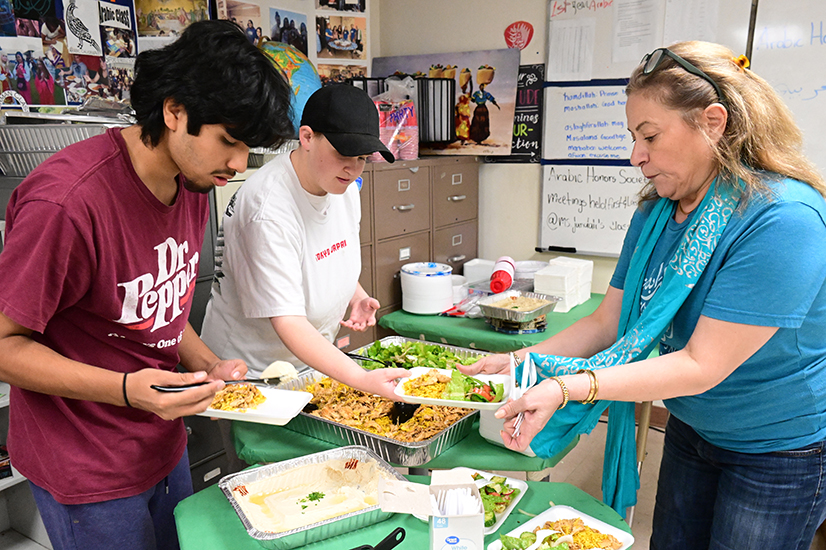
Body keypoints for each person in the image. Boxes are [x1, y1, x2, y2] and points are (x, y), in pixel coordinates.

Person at [461, 41, 826, 550]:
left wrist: (567, 386)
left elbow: (702, 363)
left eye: (650, 136)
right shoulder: (657, 211)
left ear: (713, 122)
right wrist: (522, 359)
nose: (637, 156)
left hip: (775, 447)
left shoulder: (783, 220)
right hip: (693, 423)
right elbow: (608, 322)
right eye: (635, 137)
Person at [0, 20, 293, 550]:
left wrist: (206, 363)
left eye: (248, 148)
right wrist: (125, 391)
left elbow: (146, 307)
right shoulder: (66, 204)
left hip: (159, 440)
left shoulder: (194, 179)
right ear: (175, 111)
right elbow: (3, 346)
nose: (238, 164)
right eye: (228, 142)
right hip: (87, 463)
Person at [201, 85, 408, 402]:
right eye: (343, 154)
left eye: (362, 158)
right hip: (253, 375)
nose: (353, 169)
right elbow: (288, 322)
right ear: (307, 137)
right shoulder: (267, 209)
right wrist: (361, 379)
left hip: (311, 363)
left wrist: (356, 295)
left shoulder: (343, 187)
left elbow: (323, 254)